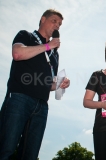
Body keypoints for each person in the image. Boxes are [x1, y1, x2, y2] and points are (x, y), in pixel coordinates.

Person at [0, 9, 70, 159]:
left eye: (60, 24)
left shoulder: (54, 54)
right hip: (19, 99)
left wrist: (59, 84)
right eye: (54, 21)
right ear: (43, 19)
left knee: (30, 155)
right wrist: (47, 46)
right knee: (6, 148)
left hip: (42, 106)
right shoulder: (26, 35)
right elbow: (18, 53)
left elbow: (48, 83)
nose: (57, 25)